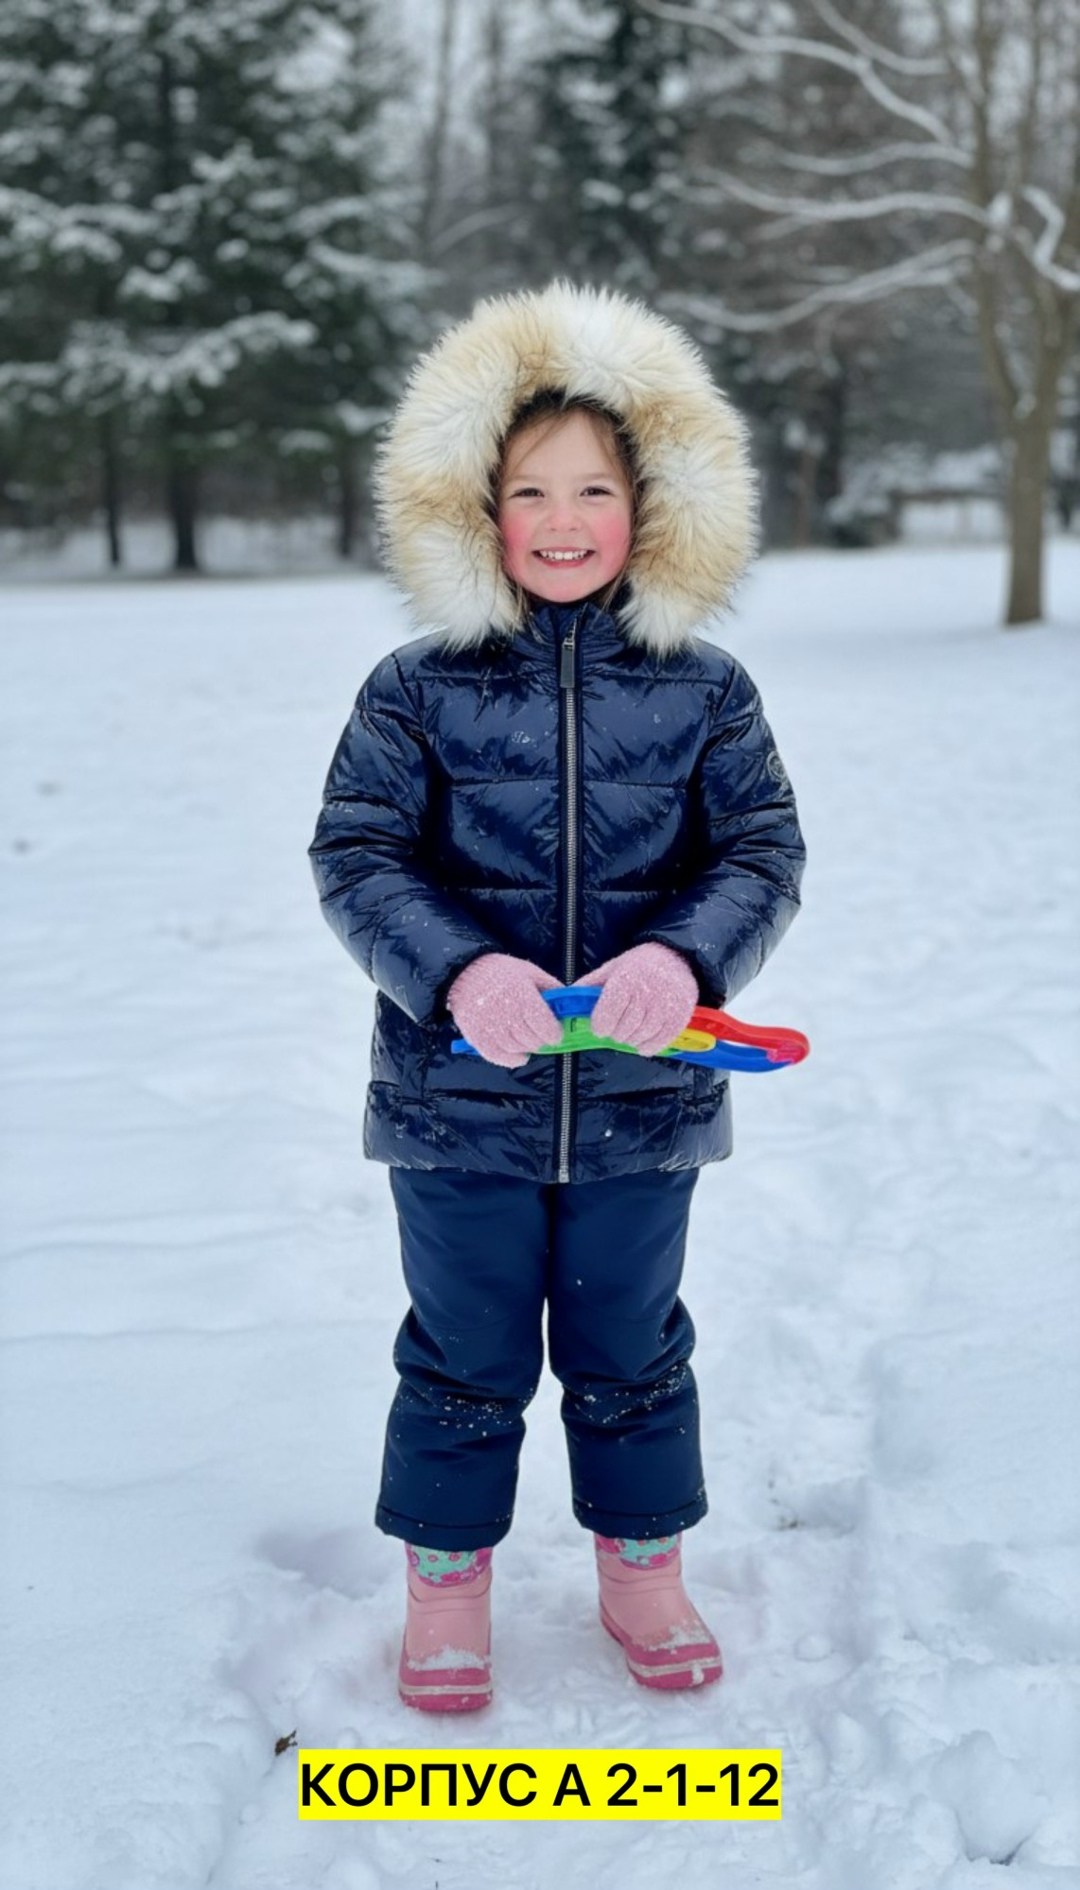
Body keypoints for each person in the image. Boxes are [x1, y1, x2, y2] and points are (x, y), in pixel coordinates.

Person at [308, 280, 806, 1711]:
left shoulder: (706, 691)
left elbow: (764, 850)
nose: (568, 517)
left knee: (631, 1340)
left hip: (644, 1101)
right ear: (479, 508)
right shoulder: (415, 690)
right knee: (462, 1351)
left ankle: (643, 1563)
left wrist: (685, 959)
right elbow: (358, 853)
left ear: (655, 506)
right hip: (457, 1102)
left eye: (598, 486)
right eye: (533, 489)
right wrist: (457, 967)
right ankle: (447, 1583)